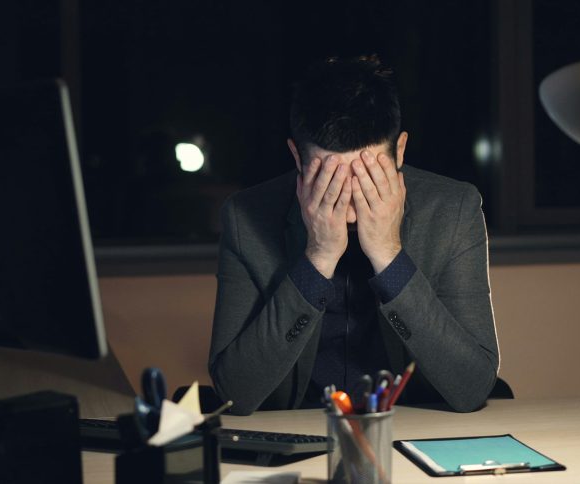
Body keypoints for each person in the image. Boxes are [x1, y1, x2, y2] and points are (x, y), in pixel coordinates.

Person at [208, 55, 500, 415]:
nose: (349, 196)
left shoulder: (454, 209)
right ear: (297, 157)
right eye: (328, 177)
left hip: (416, 428)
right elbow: (235, 393)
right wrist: (317, 258)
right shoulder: (245, 217)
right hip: (299, 430)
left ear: (401, 151)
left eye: (367, 174)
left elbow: (473, 386)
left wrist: (389, 255)